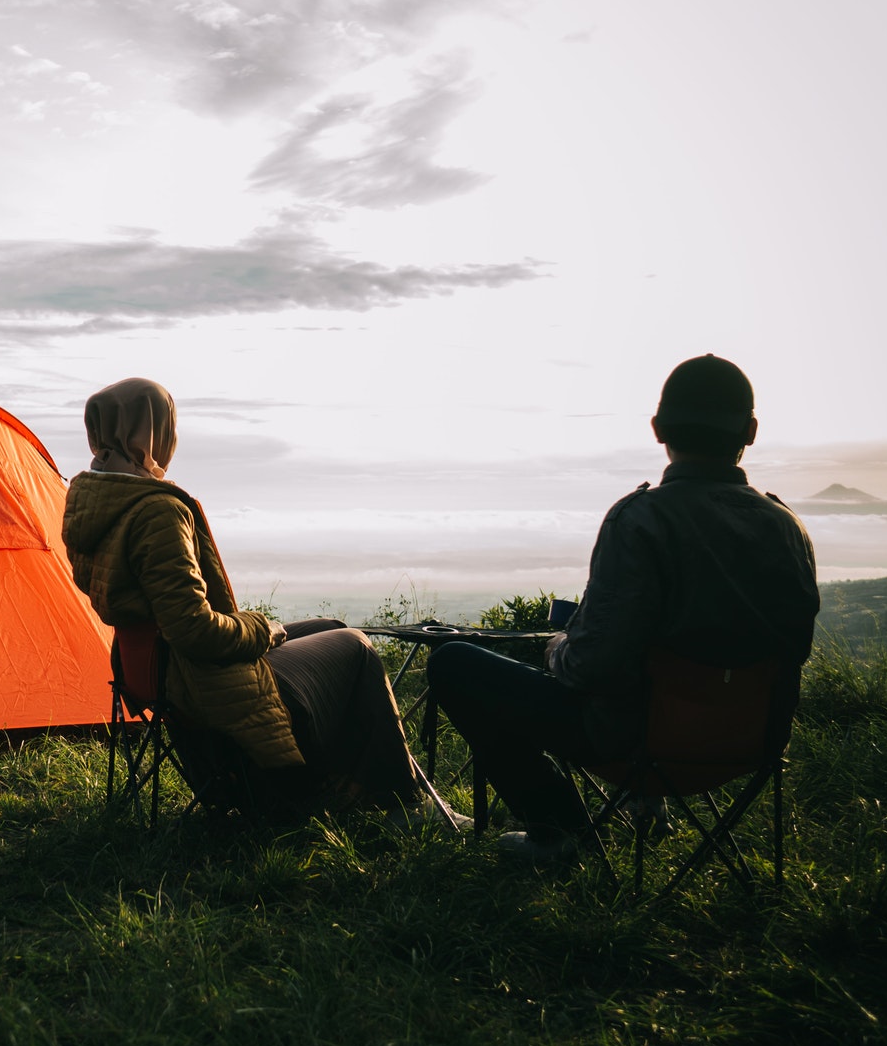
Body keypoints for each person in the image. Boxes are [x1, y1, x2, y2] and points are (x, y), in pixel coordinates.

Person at [426, 354, 820, 862]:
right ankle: (624, 808)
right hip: (751, 743)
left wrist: (558, 648)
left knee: (454, 663)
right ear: (751, 431)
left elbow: (593, 666)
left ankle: (560, 831)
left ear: (658, 429)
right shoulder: (787, 527)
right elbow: (792, 649)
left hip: (637, 742)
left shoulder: (640, 520)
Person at [61, 376, 453, 823]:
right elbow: (193, 629)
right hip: (194, 674)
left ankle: (345, 787)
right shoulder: (156, 510)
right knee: (355, 647)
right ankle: (402, 802)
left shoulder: (97, 500)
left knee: (330, 629)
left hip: (148, 668)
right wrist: (259, 628)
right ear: (151, 433)